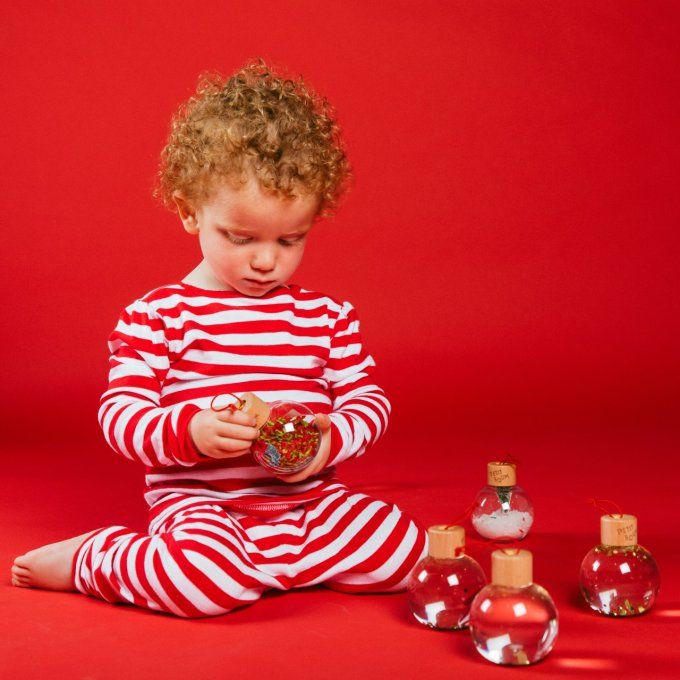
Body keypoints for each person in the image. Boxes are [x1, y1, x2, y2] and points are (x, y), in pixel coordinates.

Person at [11, 58, 427, 617]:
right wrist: (193, 430)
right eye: (240, 236)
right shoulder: (156, 316)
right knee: (204, 584)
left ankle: (264, 566)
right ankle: (97, 558)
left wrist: (332, 440)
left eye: (290, 240)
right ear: (189, 213)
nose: (264, 260)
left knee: (407, 553)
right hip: (203, 504)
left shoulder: (327, 316)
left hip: (309, 500)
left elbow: (368, 399)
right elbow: (121, 417)